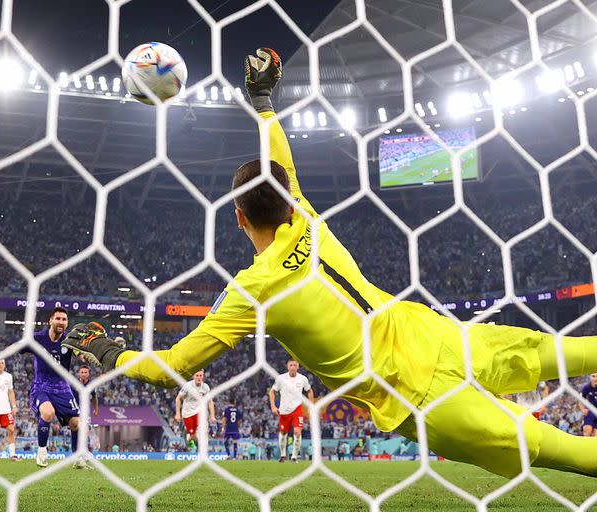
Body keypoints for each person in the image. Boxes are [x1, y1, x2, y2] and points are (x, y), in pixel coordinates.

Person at [62, 48, 597, 479]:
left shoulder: (254, 289)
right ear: (288, 200)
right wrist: (263, 101)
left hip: (414, 396)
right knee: (565, 351)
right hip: (433, 335)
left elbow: (172, 369)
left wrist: (110, 350)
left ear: (239, 220)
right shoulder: (307, 221)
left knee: (561, 452)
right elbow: (280, 159)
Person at [20, 307, 93, 469]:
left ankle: (77, 457)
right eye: (58, 319)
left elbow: (82, 356)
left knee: (77, 424)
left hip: (62, 388)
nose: (61, 322)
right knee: (48, 413)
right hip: (42, 386)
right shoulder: (37, 338)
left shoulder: (69, 341)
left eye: (64, 319)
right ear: (50, 321)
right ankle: (41, 452)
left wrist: (91, 352)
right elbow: (19, 347)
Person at [269, 360, 314, 463]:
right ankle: (283, 455)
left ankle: (294, 456)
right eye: (291, 365)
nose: (293, 367)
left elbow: (309, 390)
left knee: (297, 432)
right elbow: (272, 391)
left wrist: (311, 406)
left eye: (295, 365)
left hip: (297, 409)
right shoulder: (281, 378)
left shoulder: (303, 379)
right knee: (283, 432)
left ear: (298, 367)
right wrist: (273, 406)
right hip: (284, 410)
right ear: (287, 367)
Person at [175, 369, 214, 448]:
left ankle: (202, 450)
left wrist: (212, 415)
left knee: (203, 432)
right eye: (197, 375)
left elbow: (210, 402)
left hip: (200, 412)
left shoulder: (205, 387)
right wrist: (178, 414)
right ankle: (190, 439)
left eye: (200, 376)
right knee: (193, 436)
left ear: (203, 376)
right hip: (188, 413)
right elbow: (178, 399)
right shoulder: (187, 386)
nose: (199, 378)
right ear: (193, 376)